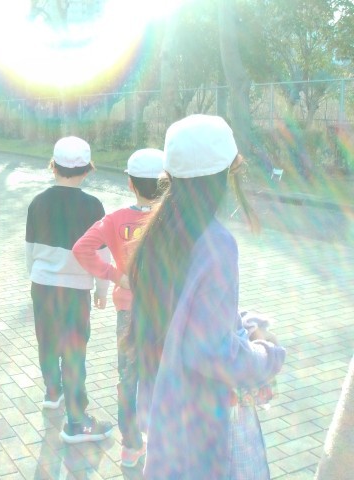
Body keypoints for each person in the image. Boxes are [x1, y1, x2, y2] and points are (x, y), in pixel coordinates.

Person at [127, 114, 286, 478]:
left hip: (167, 415)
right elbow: (210, 352)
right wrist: (268, 355)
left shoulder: (160, 229)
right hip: (205, 430)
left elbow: (183, 315)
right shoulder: (217, 244)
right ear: (226, 173)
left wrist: (238, 320)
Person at [72, 148, 165, 467]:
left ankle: (130, 445)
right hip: (165, 312)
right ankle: (161, 439)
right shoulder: (173, 220)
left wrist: (115, 275)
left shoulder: (114, 220)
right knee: (161, 373)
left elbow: (81, 248)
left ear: (130, 183)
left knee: (128, 376)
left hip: (128, 311)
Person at [25, 136, 114, 444]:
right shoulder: (93, 206)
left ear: (53, 166)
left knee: (47, 340)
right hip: (76, 290)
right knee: (74, 350)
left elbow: (30, 250)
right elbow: (102, 254)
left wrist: (37, 277)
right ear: (88, 170)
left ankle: (53, 392)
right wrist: (101, 288)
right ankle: (77, 421)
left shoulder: (38, 202)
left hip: (43, 286)